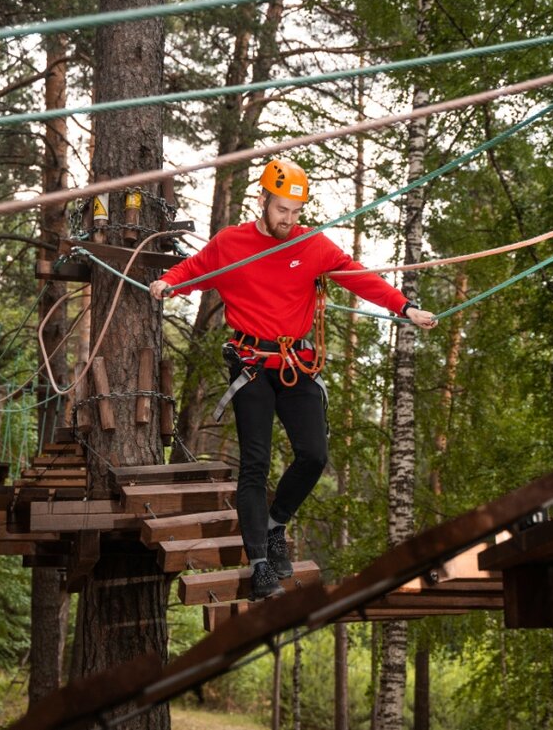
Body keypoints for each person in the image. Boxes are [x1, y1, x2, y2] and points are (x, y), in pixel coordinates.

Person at [150, 159, 437, 600]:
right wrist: (167, 283)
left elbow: (360, 278)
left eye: (297, 211)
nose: (290, 219)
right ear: (262, 201)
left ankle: (274, 524)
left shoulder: (312, 245)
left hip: (295, 364)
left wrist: (405, 309)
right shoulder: (232, 243)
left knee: (313, 455)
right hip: (250, 365)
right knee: (255, 465)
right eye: (283, 209)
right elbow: (193, 271)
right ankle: (261, 563)